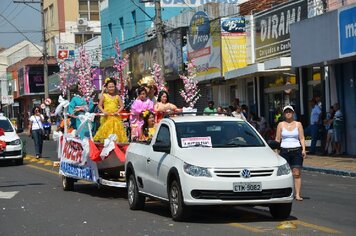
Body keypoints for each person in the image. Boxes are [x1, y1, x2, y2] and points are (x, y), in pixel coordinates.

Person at [275, 105, 306, 201]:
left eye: (290, 111)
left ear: (293, 113)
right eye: (286, 112)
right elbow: (277, 139)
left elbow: (301, 137)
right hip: (284, 151)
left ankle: (297, 194)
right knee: (284, 173)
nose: (288, 113)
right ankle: (285, 193)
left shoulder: (298, 124)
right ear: (284, 114)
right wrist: (276, 151)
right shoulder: (280, 124)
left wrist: (303, 149)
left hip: (296, 150)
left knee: (296, 173)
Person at [93, 78, 128, 143]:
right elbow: (99, 105)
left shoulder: (117, 96)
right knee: (106, 130)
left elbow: (122, 106)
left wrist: (117, 112)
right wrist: (104, 112)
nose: (111, 88)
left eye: (112, 87)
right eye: (109, 87)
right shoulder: (104, 96)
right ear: (106, 88)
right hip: (107, 117)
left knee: (116, 130)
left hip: (115, 117)